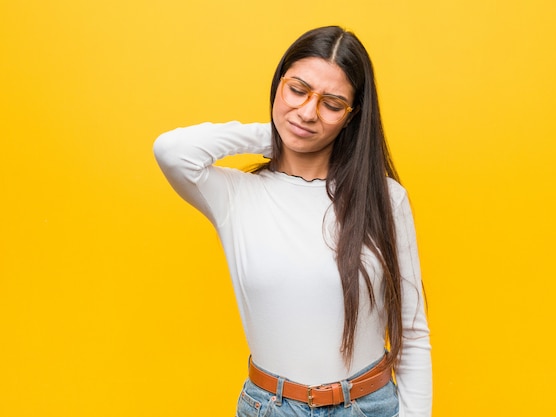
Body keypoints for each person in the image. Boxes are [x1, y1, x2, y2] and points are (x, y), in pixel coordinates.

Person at [153, 26, 431, 417]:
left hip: (368, 407)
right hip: (271, 407)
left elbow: (413, 334)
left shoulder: (384, 199)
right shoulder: (236, 195)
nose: (307, 112)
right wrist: (275, 136)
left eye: (332, 104)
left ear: (352, 117)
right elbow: (171, 150)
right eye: (297, 90)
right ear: (278, 83)